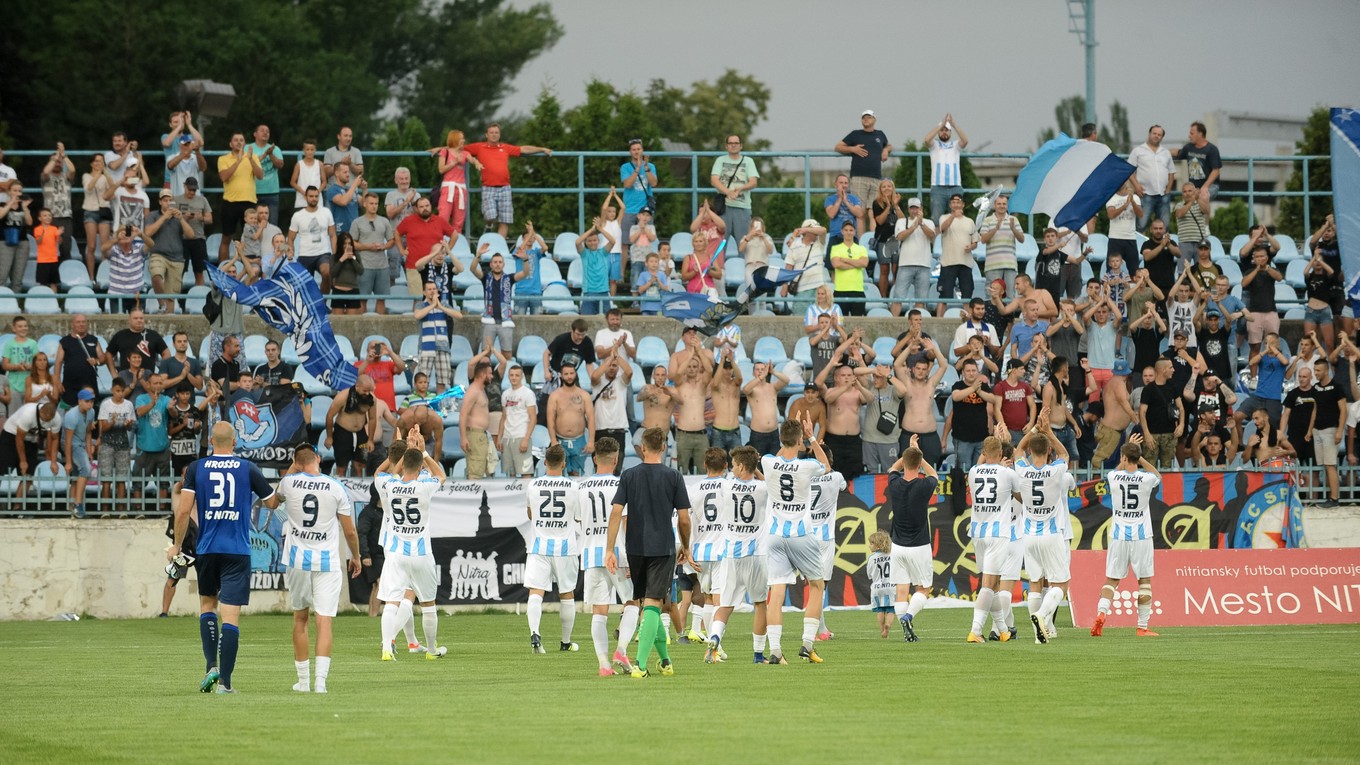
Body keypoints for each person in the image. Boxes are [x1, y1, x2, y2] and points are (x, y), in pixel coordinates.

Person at [170, 421, 278, 693]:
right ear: (234, 442)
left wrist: (176, 546)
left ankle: (211, 667)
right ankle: (225, 684)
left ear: (210, 441)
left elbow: (183, 511)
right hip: (236, 550)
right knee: (230, 617)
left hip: (207, 549)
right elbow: (272, 502)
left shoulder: (196, 468)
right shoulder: (247, 468)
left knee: (207, 606)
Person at [261, 444, 362, 692]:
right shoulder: (336, 487)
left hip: (298, 561)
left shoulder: (289, 483)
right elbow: (350, 531)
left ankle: (303, 682)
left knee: (300, 618)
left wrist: (292, 467)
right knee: (324, 621)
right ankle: (320, 683)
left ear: (296, 462)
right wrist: (356, 556)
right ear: (318, 458)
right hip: (327, 561)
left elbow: (273, 503)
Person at [761, 415, 831, 664]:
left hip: (775, 536)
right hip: (801, 534)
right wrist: (811, 436)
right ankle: (807, 644)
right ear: (800, 440)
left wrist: (792, 434)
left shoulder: (767, 462)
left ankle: (775, 651)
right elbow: (826, 466)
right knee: (817, 586)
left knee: (776, 593)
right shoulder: (807, 466)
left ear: (781, 439)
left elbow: (783, 452)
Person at [375, 428, 448, 662]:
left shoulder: (390, 485)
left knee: (391, 600)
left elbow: (388, 473)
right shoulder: (424, 485)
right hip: (421, 553)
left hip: (395, 551)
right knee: (428, 603)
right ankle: (431, 650)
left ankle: (387, 648)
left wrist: (405, 452)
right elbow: (440, 475)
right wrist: (423, 452)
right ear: (419, 468)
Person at [575, 437, 637, 675]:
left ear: (594, 459)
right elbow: (626, 523)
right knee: (632, 603)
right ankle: (621, 650)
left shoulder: (581, 488)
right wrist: (632, 557)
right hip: (618, 553)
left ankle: (604, 665)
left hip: (592, 554)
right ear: (616, 458)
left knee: (599, 611)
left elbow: (580, 520)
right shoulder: (621, 485)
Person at [704, 446, 771, 661]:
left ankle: (715, 638)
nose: (731, 470)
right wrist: (756, 467)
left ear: (741, 467)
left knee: (725, 605)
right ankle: (758, 654)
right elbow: (769, 484)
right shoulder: (763, 489)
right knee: (760, 604)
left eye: (734, 466)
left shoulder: (726, 486)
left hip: (731, 555)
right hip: (756, 555)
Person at [1091, 436, 1161, 638]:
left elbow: (1119, 469)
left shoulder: (1114, 476)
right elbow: (1157, 475)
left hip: (1119, 535)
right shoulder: (1146, 479)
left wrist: (1127, 456)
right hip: (1141, 536)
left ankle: (1101, 614)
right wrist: (1140, 457)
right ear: (1138, 458)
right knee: (1144, 581)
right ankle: (1142, 627)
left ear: (1123, 458)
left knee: (1112, 579)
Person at [1014, 407, 1073, 644]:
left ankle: (1039, 634)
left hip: (1029, 536)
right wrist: (1048, 431)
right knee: (1061, 584)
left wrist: (1035, 429)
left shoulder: (1023, 470)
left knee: (1035, 584)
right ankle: (1042, 617)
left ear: (1030, 451)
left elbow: (1017, 450)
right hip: (1051, 533)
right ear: (1049, 451)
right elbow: (1065, 454)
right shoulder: (1055, 471)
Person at [522, 443, 581, 654]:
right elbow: (578, 517)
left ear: (545, 462)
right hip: (565, 548)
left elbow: (531, 514)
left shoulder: (533, 485)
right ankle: (565, 642)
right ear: (564, 464)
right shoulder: (574, 487)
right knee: (566, 593)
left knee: (535, 591)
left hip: (539, 547)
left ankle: (535, 634)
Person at [965, 425, 1021, 643]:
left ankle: (1003, 630)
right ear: (1000, 453)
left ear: (983, 452)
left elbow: (981, 463)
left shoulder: (973, 471)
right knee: (989, 584)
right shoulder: (1007, 473)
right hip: (998, 534)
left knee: (994, 584)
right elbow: (1021, 498)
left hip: (978, 533)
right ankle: (976, 630)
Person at [884, 435, 940, 643]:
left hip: (898, 546)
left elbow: (893, 468)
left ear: (905, 463)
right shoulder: (924, 486)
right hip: (919, 546)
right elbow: (933, 474)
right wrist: (919, 455)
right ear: (918, 465)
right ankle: (908, 617)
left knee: (901, 589)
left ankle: (906, 632)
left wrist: (909, 452)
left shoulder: (894, 484)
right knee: (923, 588)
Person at [465, 123, 552, 239]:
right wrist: (442, 150)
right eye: (491, 132)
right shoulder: (479, 147)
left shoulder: (504, 147)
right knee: (490, 216)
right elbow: (458, 149)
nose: (494, 135)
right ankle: (488, 225)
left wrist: (542, 149)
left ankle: (500, 245)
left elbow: (523, 149)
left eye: (496, 132)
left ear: (500, 134)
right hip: (488, 187)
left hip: (505, 188)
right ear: (486, 135)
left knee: (504, 220)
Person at [895, 342, 949, 466]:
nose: (920, 371)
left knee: (930, 469)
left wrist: (934, 349)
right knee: (908, 468)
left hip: (930, 435)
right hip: (909, 434)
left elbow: (943, 365)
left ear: (927, 371)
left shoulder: (931, 384)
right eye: (918, 368)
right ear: (913, 369)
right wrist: (909, 348)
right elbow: (897, 365)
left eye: (924, 369)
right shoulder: (907, 383)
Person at [215, 132, 264, 264]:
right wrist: (238, 160)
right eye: (236, 140)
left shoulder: (252, 157)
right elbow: (224, 177)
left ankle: (250, 269)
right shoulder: (223, 159)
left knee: (250, 238)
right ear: (230, 144)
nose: (239, 142)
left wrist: (250, 159)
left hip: (248, 202)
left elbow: (260, 176)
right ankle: (223, 269)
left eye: (241, 140)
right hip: (230, 202)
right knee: (226, 238)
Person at [1308, 359, 1346, 507]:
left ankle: (1334, 499)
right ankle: (1331, 497)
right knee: (1326, 465)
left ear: (1326, 370)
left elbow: (1343, 410)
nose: (1315, 373)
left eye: (1318, 370)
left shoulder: (1337, 387)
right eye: (1314, 370)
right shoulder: (1316, 387)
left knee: (1330, 465)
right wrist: (1310, 430)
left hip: (1330, 430)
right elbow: (1315, 409)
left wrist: (1340, 431)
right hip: (1317, 430)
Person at [352, 192, 397, 314]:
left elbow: (391, 240)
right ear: (365, 204)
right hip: (364, 266)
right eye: (371, 203)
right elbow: (352, 243)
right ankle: (361, 325)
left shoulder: (384, 221)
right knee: (362, 299)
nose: (374, 206)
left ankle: (380, 325)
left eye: (376, 204)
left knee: (381, 299)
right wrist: (367, 246)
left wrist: (384, 246)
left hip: (382, 266)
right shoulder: (357, 222)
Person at [547, 365, 595, 477]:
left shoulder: (584, 395)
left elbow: (591, 419)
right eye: (566, 374)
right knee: (559, 473)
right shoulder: (555, 396)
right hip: (560, 440)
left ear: (575, 374)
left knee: (576, 473)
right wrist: (553, 440)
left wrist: (591, 441)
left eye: (571, 373)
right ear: (561, 376)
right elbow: (550, 419)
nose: (569, 377)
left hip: (579, 440)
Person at [326, 375, 379, 478]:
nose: (367, 393)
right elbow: (329, 416)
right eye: (365, 391)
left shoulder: (371, 398)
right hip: (342, 432)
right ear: (357, 386)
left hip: (360, 432)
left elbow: (372, 418)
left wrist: (370, 440)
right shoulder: (342, 397)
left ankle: (359, 486)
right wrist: (329, 437)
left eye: (369, 391)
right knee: (342, 467)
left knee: (361, 465)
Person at [710, 134, 760, 240]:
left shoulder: (748, 161)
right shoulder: (720, 160)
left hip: (742, 206)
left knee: (743, 242)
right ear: (726, 146)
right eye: (730, 143)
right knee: (720, 241)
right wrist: (728, 192)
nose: (733, 145)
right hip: (723, 207)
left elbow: (753, 182)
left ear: (741, 146)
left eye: (736, 143)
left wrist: (741, 188)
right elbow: (714, 180)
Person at [891, 198, 936, 315]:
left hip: (924, 265)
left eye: (917, 208)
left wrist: (921, 224)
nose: (914, 211)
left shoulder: (929, 222)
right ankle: (893, 321)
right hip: (905, 264)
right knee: (898, 297)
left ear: (921, 209)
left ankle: (917, 323)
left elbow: (932, 236)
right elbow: (899, 236)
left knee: (921, 299)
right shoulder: (901, 222)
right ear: (908, 209)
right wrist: (914, 226)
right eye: (912, 208)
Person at [1127, 125, 1176, 231]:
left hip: (1163, 195)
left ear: (1162, 137)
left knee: (1164, 226)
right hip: (1145, 194)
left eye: (1159, 134)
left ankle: (1163, 243)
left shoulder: (1166, 153)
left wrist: (1168, 189)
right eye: (1154, 133)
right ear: (1149, 134)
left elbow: (1171, 172)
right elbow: (1129, 170)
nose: (1156, 136)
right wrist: (1136, 186)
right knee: (1141, 225)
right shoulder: (1138, 151)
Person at [288, 186, 338, 290]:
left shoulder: (326, 212)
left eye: (316, 196)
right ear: (305, 197)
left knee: (326, 272)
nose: (314, 198)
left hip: (323, 253)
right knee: (305, 286)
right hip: (304, 254)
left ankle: (323, 299)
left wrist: (335, 255)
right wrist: (291, 255)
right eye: (311, 196)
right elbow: (290, 239)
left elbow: (333, 235)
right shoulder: (297, 216)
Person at [617, 139, 657, 266]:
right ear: (630, 152)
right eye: (634, 149)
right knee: (624, 244)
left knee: (646, 241)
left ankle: (647, 270)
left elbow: (653, 183)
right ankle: (622, 274)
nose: (636, 152)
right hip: (629, 209)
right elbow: (627, 184)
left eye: (638, 149)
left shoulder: (650, 166)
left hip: (645, 211)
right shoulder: (625, 167)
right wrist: (637, 169)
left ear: (642, 150)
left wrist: (646, 168)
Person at [937, 194, 979, 315]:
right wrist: (953, 216)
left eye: (958, 202)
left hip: (966, 263)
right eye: (953, 202)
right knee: (944, 296)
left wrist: (971, 247)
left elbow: (975, 242)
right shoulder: (944, 217)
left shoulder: (969, 221)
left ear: (963, 204)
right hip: (948, 262)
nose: (956, 204)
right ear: (950, 205)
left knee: (967, 296)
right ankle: (938, 321)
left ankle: (970, 321)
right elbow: (942, 228)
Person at [924, 113, 969, 222]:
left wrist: (954, 125)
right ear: (938, 132)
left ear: (950, 132)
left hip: (955, 186)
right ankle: (937, 234)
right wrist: (940, 125)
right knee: (936, 219)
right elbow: (927, 139)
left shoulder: (956, 145)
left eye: (946, 130)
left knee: (957, 218)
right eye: (942, 130)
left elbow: (965, 141)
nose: (944, 132)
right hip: (938, 187)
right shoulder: (934, 145)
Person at [1139, 359, 1183, 468]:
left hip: (1169, 434)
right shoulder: (1148, 389)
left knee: (1167, 467)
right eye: (1170, 367)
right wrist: (1147, 434)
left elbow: (1181, 408)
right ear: (1163, 370)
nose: (1173, 370)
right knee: (1150, 467)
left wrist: (1181, 424)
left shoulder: (1173, 387)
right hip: (1152, 434)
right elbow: (1142, 412)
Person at [979, 195, 1024, 296]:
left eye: (1004, 204)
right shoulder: (987, 220)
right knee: (992, 296)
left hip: (1010, 264)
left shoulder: (1013, 220)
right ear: (994, 205)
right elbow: (983, 239)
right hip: (993, 264)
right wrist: (995, 228)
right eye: (999, 204)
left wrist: (1013, 229)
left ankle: (1009, 308)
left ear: (1007, 206)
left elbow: (1022, 239)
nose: (1002, 206)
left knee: (1011, 295)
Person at [63, 388, 97, 517]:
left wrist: (89, 451)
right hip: (71, 443)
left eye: (91, 401)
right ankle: (78, 504)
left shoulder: (91, 412)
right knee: (86, 469)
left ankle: (71, 507)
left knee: (77, 475)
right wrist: (68, 462)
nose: (90, 404)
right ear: (79, 401)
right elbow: (68, 441)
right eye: (87, 401)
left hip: (81, 443)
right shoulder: (71, 415)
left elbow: (88, 432)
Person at [1171, 121, 1223, 206]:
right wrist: (1163, 152)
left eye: (1192, 133)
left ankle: (1203, 215)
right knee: (1185, 201)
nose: (1189, 136)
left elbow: (1216, 171)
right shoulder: (1189, 147)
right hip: (1194, 187)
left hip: (1210, 185)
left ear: (1200, 134)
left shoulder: (1212, 149)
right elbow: (1178, 152)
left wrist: (1205, 187)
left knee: (1202, 197)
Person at [743, 361, 789, 456]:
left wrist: (773, 371)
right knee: (758, 463)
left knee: (774, 462)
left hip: (774, 433)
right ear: (753, 373)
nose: (760, 371)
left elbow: (786, 380)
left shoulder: (773, 387)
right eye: (757, 369)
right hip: (758, 434)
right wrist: (760, 378)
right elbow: (745, 390)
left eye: (763, 369)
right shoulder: (752, 389)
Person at [828, 221, 870, 316]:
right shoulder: (835, 248)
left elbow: (864, 263)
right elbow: (836, 264)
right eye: (846, 230)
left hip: (858, 290)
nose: (848, 232)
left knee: (857, 321)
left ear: (854, 232)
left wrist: (846, 260)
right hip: (840, 290)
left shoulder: (861, 248)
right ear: (842, 231)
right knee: (841, 321)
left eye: (851, 230)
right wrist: (856, 264)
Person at [780, 220, 829, 303]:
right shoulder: (794, 245)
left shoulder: (819, 242)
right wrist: (785, 285)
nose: (816, 232)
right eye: (813, 229)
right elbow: (788, 267)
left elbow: (823, 230)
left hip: (818, 289)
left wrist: (806, 229)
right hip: (801, 289)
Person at [575, 217, 615, 315]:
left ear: (598, 241)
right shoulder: (584, 254)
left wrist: (600, 229)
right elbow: (577, 242)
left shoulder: (603, 252)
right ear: (586, 243)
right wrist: (592, 229)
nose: (592, 243)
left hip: (604, 291)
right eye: (589, 241)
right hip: (589, 292)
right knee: (586, 320)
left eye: (594, 240)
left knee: (607, 320)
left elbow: (613, 241)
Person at [823, 174, 863, 249]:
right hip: (835, 236)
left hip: (852, 236)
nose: (843, 185)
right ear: (835, 184)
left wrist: (846, 201)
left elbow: (860, 214)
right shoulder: (830, 199)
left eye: (846, 183)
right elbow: (831, 214)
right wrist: (840, 198)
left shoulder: (854, 198)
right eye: (841, 183)